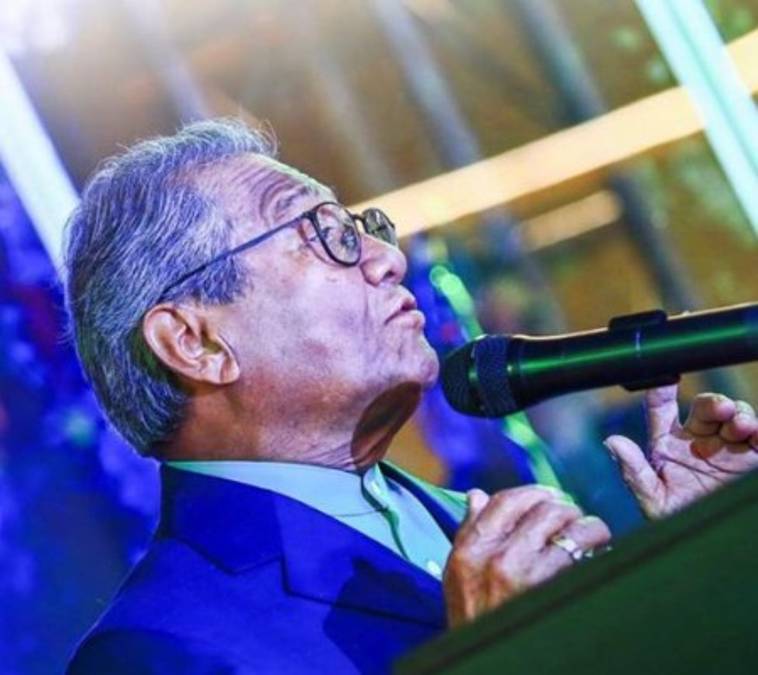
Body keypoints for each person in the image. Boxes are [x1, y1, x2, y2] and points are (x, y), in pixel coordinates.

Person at [64, 119, 758, 674]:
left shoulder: (468, 517)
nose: (388, 258)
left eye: (360, 228)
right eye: (324, 236)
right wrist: (501, 655)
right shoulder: (155, 649)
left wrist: (709, 561)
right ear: (196, 342)